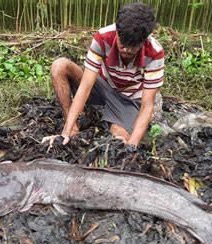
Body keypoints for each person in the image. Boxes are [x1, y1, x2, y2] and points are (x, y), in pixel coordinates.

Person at [46, 2, 164, 148]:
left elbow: (147, 106)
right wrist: (67, 130)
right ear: (117, 32)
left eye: (133, 46)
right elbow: (85, 87)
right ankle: (73, 129)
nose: (126, 50)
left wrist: (132, 147)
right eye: (123, 43)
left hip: (129, 99)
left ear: (144, 40)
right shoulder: (103, 37)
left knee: (119, 137)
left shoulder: (155, 52)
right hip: (103, 86)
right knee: (59, 66)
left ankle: (118, 123)